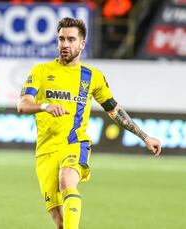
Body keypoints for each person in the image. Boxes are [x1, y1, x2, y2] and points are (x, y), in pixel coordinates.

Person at [17, 17, 161, 229]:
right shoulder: (41, 71)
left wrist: (145, 136)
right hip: (45, 152)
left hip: (75, 143)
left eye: (71, 39)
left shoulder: (92, 77)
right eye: (61, 39)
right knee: (60, 222)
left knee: (67, 179)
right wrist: (45, 106)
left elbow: (114, 110)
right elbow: (23, 104)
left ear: (82, 44)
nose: (65, 44)